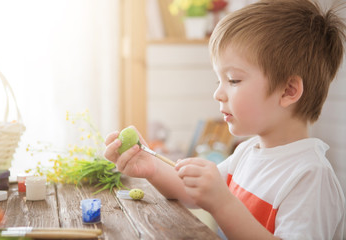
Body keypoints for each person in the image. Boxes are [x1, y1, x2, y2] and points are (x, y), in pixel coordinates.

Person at [104, 0, 345, 239]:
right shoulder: (248, 152)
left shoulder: (311, 177)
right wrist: (151, 167)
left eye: (233, 80)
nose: (217, 94)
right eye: (218, 80)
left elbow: (218, 200)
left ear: (288, 91)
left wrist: (223, 205)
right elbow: (192, 192)